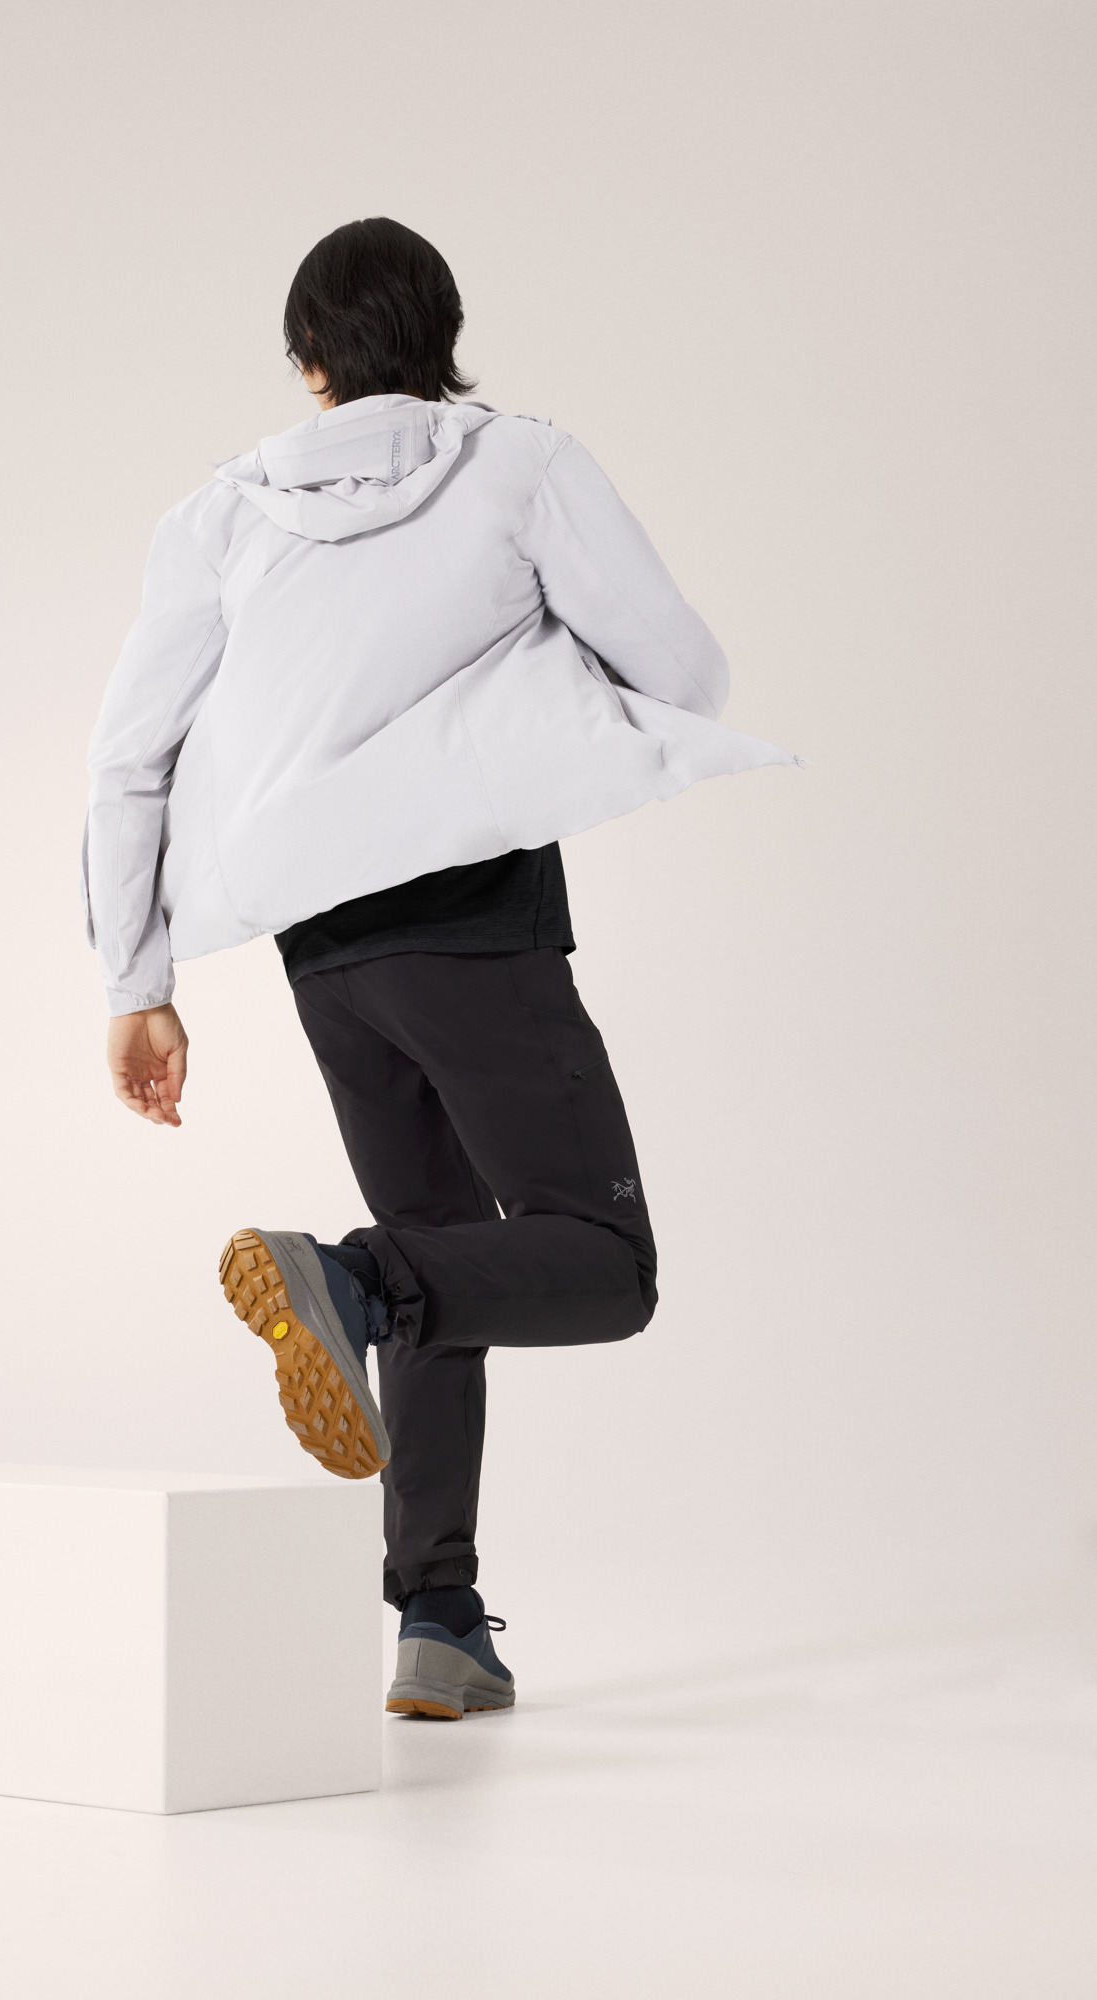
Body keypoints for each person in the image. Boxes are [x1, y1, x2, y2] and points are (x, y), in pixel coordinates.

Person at [84, 217, 790, 1719]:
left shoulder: (218, 517)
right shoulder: (519, 464)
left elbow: (128, 761)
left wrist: (137, 986)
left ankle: (438, 1623)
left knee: (442, 1258)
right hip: (473, 927)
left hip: (321, 952)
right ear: (448, 338)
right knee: (599, 1265)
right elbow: (685, 673)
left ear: (308, 364)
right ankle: (346, 1279)